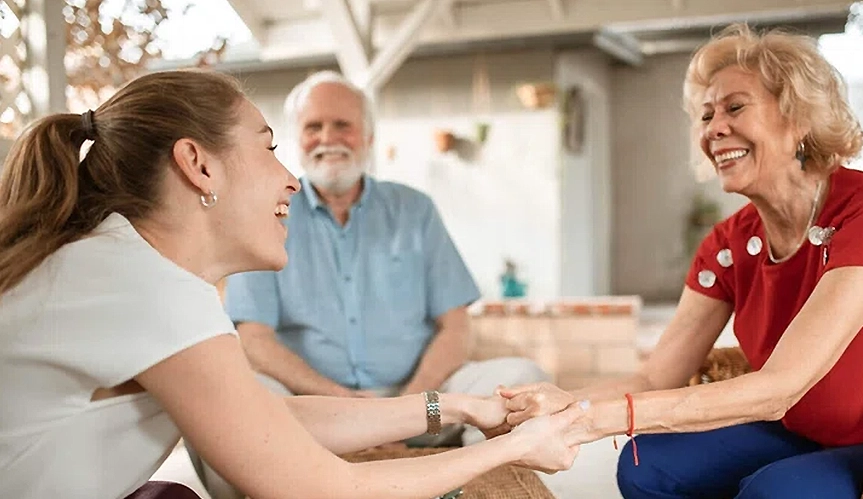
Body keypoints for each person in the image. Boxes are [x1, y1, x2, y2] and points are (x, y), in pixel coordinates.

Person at [0, 69, 588, 499]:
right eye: (270, 147)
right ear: (198, 164)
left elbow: (269, 423)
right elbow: (329, 485)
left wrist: (460, 405)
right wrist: (510, 446)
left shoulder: (123, 264)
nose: (288, 180)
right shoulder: (150, 289)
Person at [496, 24, 863, 499]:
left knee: (771, 491)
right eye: (706, 114)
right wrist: (563, 404)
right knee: (647, 467)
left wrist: (593, 421)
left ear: (798, 119)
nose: (713, 128)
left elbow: (781, 385)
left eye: (735, 108)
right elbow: (657, 375)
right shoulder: (730, 242)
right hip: (800, 425)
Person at [222, 71, 547, 430]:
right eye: (313, 127)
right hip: (315, 410)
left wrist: (411, 404)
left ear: (369, 137)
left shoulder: (415, 210)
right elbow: (254, 339)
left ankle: (484, 482)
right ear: (297, 138)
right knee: (231, 398)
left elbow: (456, 327)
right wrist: (340, 400)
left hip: (426, 406)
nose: (327, 138)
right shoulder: (269, 214)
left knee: (521, 379)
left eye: (342, 125)